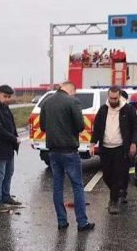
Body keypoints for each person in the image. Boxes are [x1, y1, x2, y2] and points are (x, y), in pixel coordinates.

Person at [39, 81, 95, 231]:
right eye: (74, 93)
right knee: (77, 186)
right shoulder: (73, 101)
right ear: (71, 90)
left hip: (53, 151)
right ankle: (82, 223)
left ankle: (62, 221)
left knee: (57, 186)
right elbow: (80, 126)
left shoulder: (47, 102)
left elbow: (43, 126)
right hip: (69, 151)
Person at [90, 86, 137, 214]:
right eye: (111, 98)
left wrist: (133, 143)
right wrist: (92, 143)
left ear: (119, 96)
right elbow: (97, 128)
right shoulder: (103, 110)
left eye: (115, 98)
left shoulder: (127, 110)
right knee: (107, 175)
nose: (113, 101)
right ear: (108, 96)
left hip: (120, 149)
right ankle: (117, 191)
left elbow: (136, 127)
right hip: (105, 148)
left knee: (117, 175)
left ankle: (113, 202)